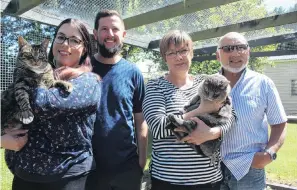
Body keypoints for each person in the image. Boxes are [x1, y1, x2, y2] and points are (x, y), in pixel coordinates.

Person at [5, 18, 101, 190]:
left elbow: (43, 103)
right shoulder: (38, 71)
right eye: (61, 37)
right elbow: (7, 105)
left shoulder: (88, 82)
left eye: (74, 40)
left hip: (68, 177)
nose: (65, 44)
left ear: (84, 48)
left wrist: (27, 82)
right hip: (25, 175)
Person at [142, 30, 236, 190]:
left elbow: (232, 117)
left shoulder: (207, 82)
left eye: (183, 51)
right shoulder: (154, 87)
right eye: (171, 52)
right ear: (164, 57)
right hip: (168, 181)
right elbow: (158, 128)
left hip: (210, 180)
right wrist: (201, 109)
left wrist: (213, 133)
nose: (179, 57)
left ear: (191, 53)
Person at [217, 32, 287, 190]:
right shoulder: (207, 84)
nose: (235, 53)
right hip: (210, 170)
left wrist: (269, 154)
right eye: (228, 48)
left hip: (249, 170)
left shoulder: (264, 83)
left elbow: (279, 124)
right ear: (217, 55)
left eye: (241, 47)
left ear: (248, 52)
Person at [88, 9, 148, 190]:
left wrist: (142, 159)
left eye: (115, 29)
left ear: (123, 34)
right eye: (104, 29)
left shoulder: (133, 72)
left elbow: (141, 120)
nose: (110, 34)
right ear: (95, 34)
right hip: (89, 166)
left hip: (127, 166)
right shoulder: (83, 69)